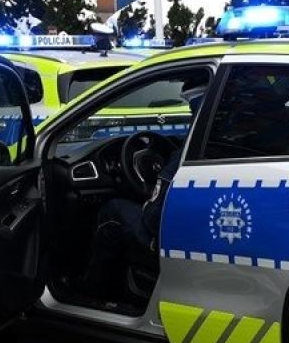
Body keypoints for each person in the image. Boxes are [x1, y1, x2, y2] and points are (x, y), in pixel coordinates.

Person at [80, 88, 205, 301]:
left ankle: (92, 295)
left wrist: (148, 201)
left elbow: (152, 219)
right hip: (199, 241)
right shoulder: (235, 138)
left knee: (114, 211)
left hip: (168, 243)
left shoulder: (186, 156)